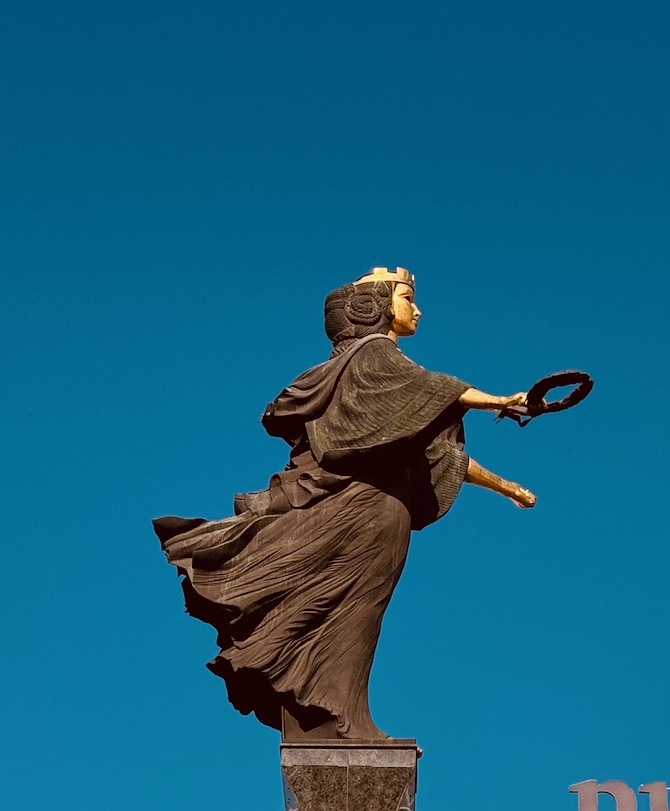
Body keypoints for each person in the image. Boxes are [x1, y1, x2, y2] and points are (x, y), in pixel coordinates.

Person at [153, 267, 536, 741]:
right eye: (406, 298)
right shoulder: (375, 355)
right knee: (354, 609)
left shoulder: (374, 384)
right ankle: (337, 712)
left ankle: (340, 707)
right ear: (373, 308)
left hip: (377, 511)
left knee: (355, 611)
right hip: (367, 511)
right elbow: (439, 390)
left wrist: (507, 487)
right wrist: (500, 400)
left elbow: (443, 452)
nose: (416, 309)